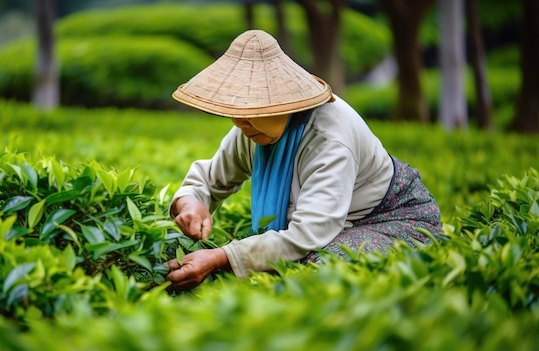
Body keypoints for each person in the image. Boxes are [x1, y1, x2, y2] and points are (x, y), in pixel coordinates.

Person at [165, 29, 441, 291]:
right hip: (339, 220)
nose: (240, 122)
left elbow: (308, 235)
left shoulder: (329, 140)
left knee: (319, 267)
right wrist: (191, 202)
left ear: (284, 103)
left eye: (251, 110)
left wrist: (222, 257)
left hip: (393, 218)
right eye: (237, 111)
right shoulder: (250, 127)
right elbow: (209, 179)